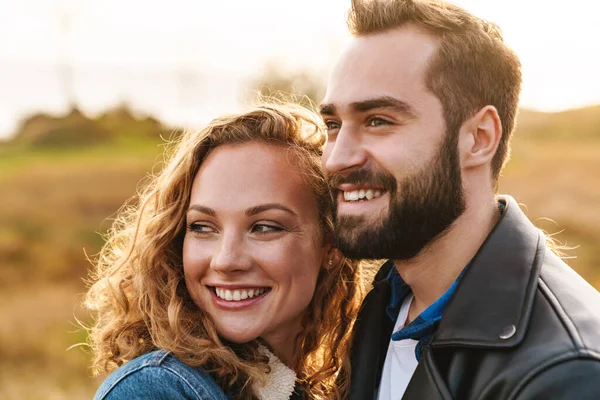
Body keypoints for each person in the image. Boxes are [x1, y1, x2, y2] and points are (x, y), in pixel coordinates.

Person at [319, 0, 600, 399]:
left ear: (479, 138)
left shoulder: (565, 375)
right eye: (333, 124)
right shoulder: (386, 299)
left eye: (378, 121)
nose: (336, 158)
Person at [85, 103, 363, 400]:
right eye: (203, 227)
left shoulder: (331, 385)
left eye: (265, 227)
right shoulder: (159, 389)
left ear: (330, 247)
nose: (226, 260)